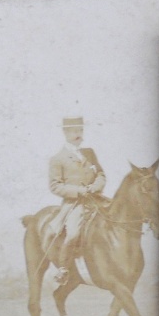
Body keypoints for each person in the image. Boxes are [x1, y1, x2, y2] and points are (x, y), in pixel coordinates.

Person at [41, 116, 108, 286]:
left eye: (80, 130)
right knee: (73, 233)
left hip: (96, 199)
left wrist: (95, 186)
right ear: (65, 133)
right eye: (74, 131)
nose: (78, 134)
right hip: (75, 204)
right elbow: (55, 186)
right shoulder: (57, 159)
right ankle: (64, 269)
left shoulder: (89, 153)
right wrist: (79, 191)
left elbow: (101, 174)